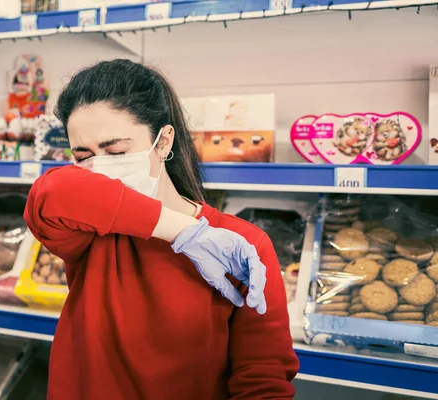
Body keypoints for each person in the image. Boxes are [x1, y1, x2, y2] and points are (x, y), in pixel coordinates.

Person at [24, 59, 299, 400]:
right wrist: (186, 233)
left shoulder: (240, 246)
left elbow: (262, 379)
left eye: (117, 150)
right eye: (84, 157)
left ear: (164, 140)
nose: (100, 169)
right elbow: (51, 193)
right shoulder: (90, 232)